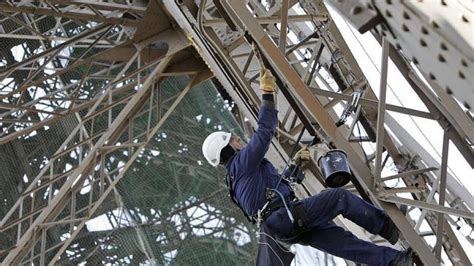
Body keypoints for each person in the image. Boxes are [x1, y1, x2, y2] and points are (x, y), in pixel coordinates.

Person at [201, 68, 413, 265]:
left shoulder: (236, 182)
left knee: (342, 242)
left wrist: (293, 168)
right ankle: (387, 226)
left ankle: (393, 262)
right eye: (234, 140)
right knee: (339, 198)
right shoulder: (241, 163)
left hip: (283, 226)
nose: (239, 141)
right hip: (286, 216)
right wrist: (267, 92)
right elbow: (265, 130)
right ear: (227, 148)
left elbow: (269, 196)